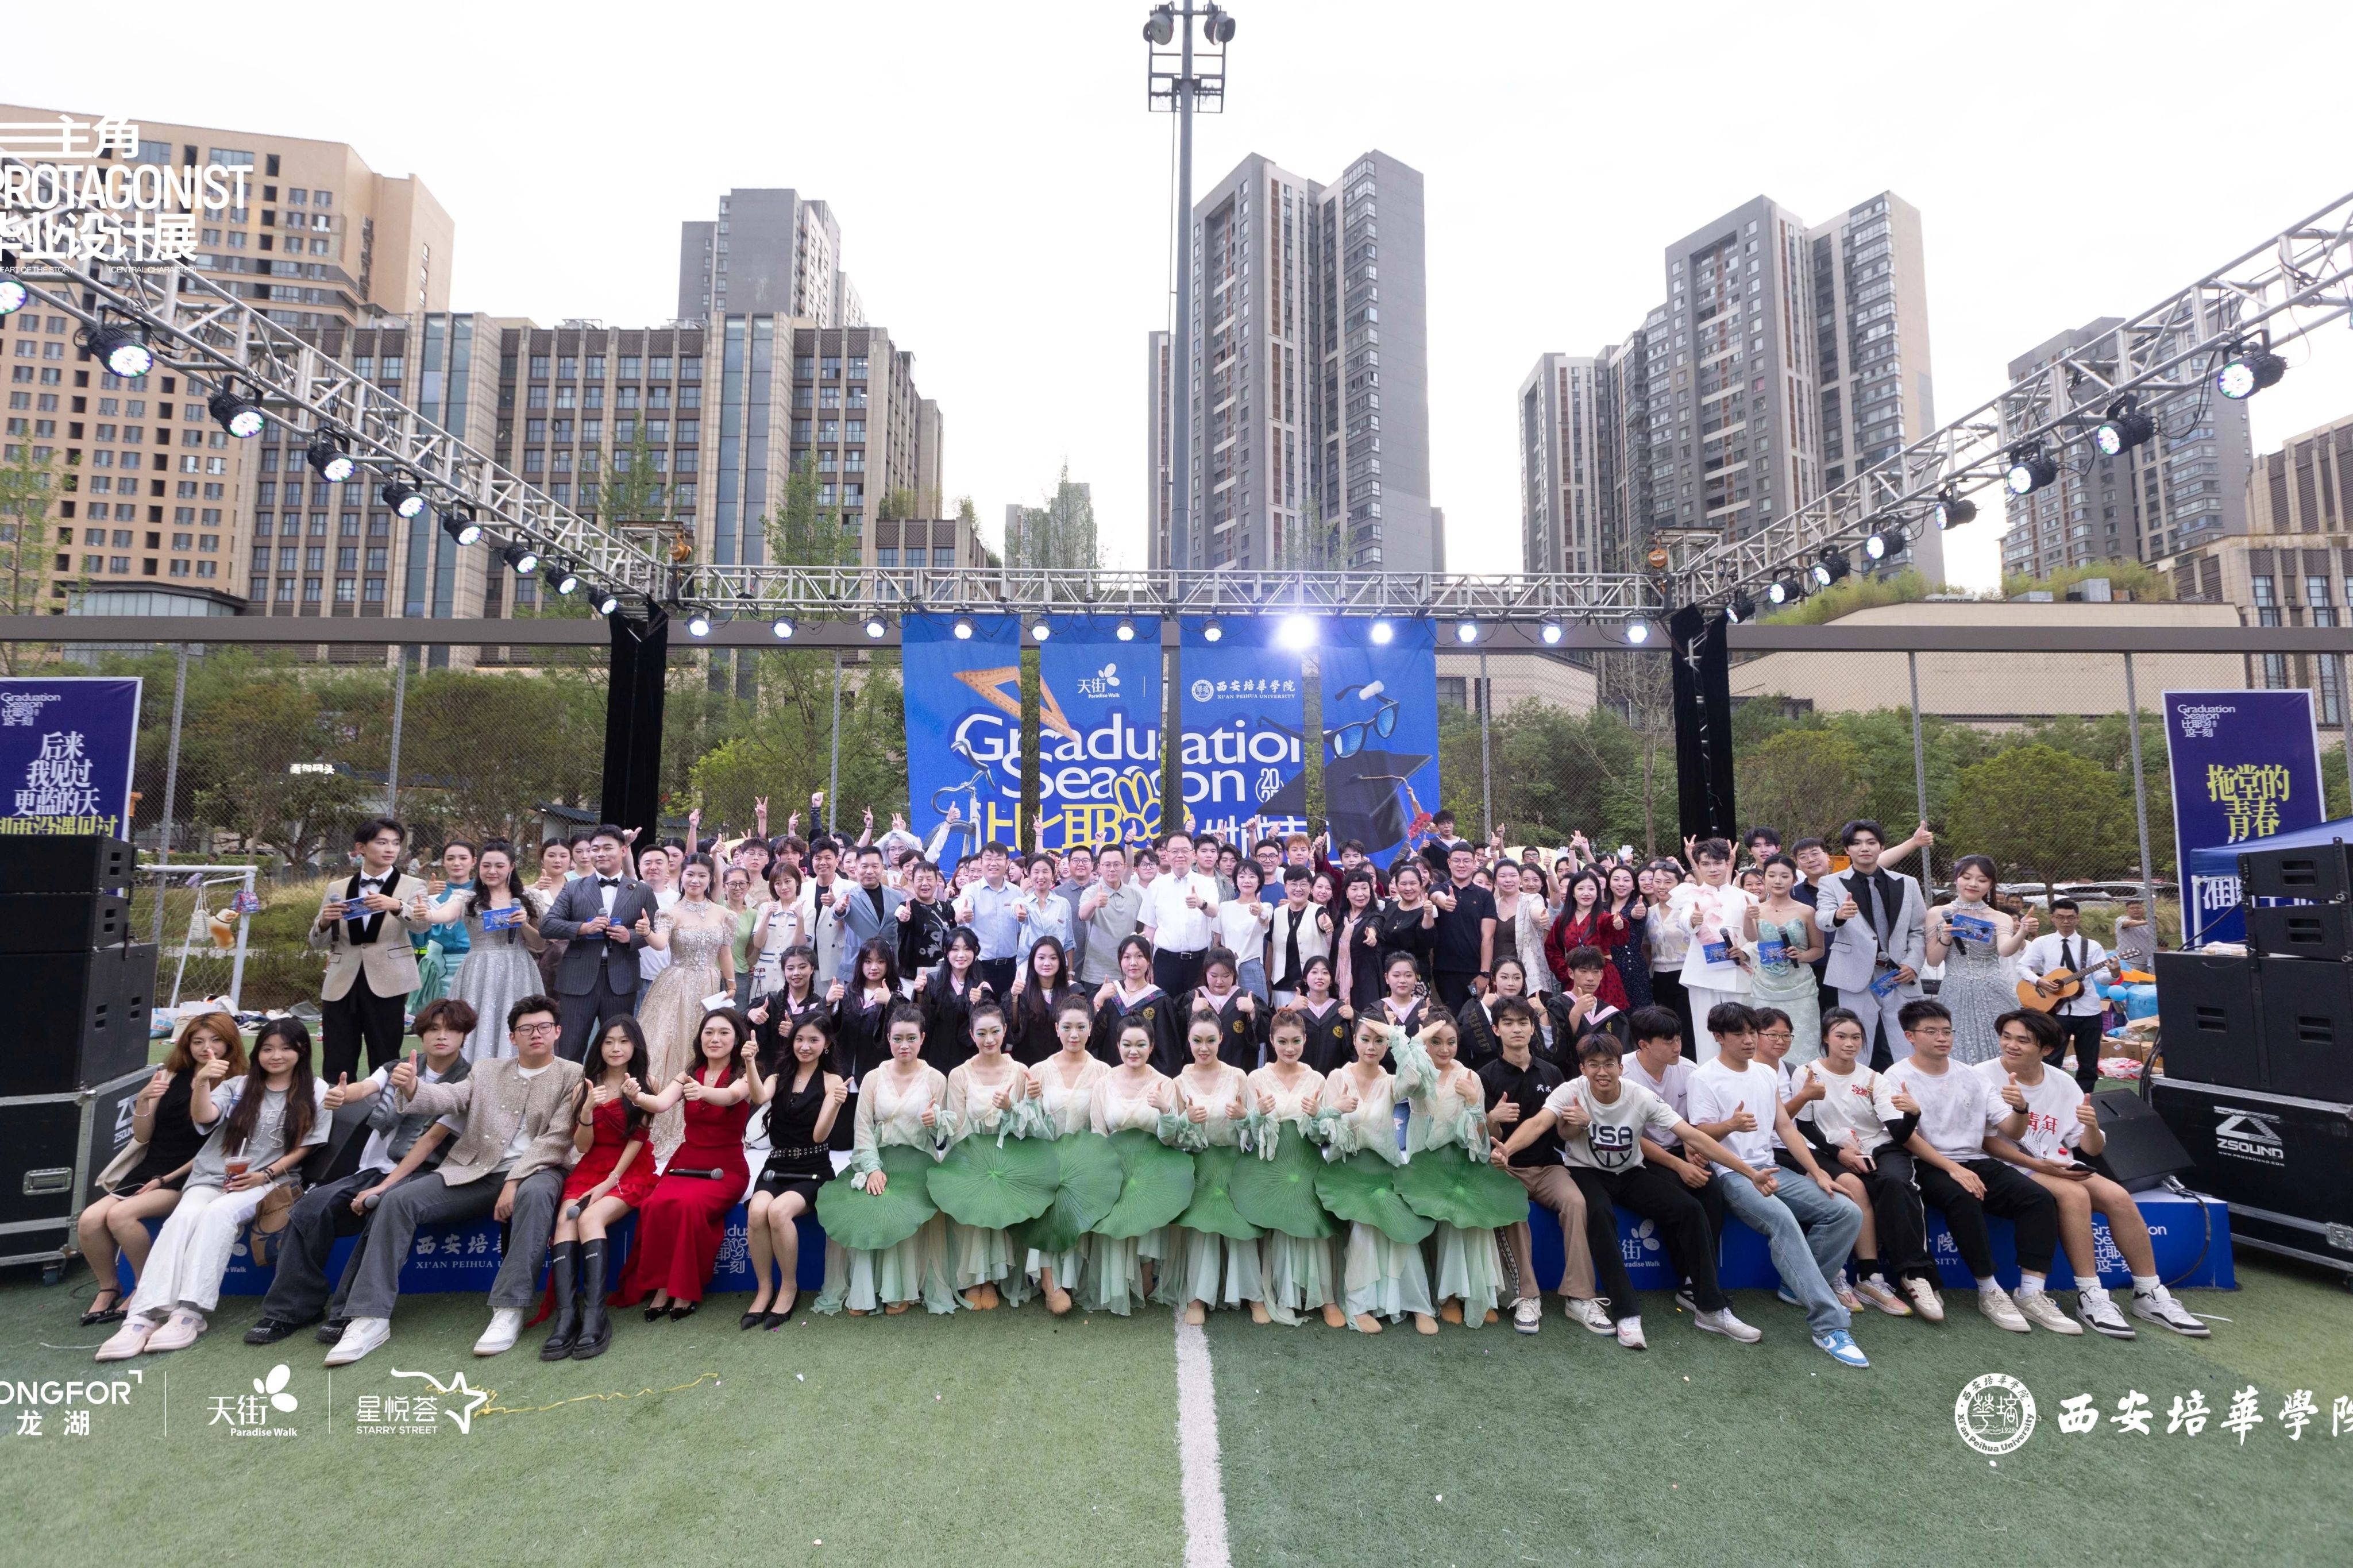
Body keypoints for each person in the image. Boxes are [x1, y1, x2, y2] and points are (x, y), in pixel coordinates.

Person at [322, 997, 585, 1366]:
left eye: (544, 1027)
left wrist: (514, 1181)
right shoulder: (487, 1070)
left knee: (537, 1193)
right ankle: (370, 1317)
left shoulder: (573, 1075)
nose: (535, 1034)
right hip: (473, 1169)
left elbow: (557, 1139)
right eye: (526, 1029)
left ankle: (508, 1310)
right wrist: (413, 1088)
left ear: (557, 1032)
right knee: (398, 1200)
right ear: (512, 1037)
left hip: (538, 1171)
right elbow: (449, 1096)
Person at [1498, 1033, 1760, 1350]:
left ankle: (1711, 1308)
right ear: (1582, 1068)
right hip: (1587, 1172)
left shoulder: (1640, 1096)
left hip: (1632, 1173)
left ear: (1621, 1068)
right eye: (1594, 1065)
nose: (1602, 1072)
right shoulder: (1571, 1091)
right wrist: (1506, 1150)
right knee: (1598, 1213)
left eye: (1609, 1064)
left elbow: (1692, 1135)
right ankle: (1626, 1313)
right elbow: (1539, 1123)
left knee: (1690, 1209)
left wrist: (1751, 1173)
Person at [241, 1002, 472, 1347]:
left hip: (424, 1172)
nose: (442, 1036)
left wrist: (384, 1187)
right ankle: (291, 1310)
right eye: (434, 1028)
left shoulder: (467, 1081)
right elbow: (363, 1089)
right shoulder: (397, 1067)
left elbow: (430, 1141)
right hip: (373, 1169)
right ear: (421, 1034)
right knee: (309, 1209)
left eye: (452, 1029)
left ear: (464, 1036)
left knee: (383, 1210)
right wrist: (340, 1095)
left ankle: (349, 1312)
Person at [96, 1019, 327, 1361]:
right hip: (211, 1176)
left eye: (285, 1048)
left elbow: (306, 1146)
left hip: (268, 1181)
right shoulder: (239, 1085)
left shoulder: (316, 1090)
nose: (275, 1056)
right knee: (183, 1218)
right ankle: (143, 1315)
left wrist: (264, 1174)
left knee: (218, 1214)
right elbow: (205, 1116)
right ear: (257, 1052)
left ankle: (189, 1312)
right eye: (267, 1049)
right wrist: (202, 1082)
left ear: (302, 1050)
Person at [1978, 1009, 2209, 1338]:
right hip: (2007, 1165)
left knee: (2118, 1197)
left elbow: (2091, 1148)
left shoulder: (2062, 1082)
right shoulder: (1982, 1075)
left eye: (2023, 1041)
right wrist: (2040, 1165)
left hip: (2058, 1165)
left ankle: (2149, 1292)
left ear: (2046, 1049)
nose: (2011, 1045)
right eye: (2007, 1037)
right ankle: (2090, 1294)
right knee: (2074, 1195)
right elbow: (1983, 1141)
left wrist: (2090, 1126)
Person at [1687, 1003, 1869, 1366]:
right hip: (1732, 1175)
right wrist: (1731, 1126)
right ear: (1718, 1037)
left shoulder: (1765, 1073)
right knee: (1782, 1220)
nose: (1748, 1040)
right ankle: (1829, 1325)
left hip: (1771, 1169)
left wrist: (1819, 1172)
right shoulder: (1703, 1077)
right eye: (1738, 1034)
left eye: (1751, 1032)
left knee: (1847, 1212)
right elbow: (1699, 1136)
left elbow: (1785, 1127)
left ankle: (1794, 1286)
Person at [1875, 999, 2072, 1334]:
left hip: (1976, 1159)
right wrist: (1953, 1169)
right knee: (1963, 1196)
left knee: (2038, 1198)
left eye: (1947, 1031)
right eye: (1931, 1032)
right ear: (1910, 1036)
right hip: (1928, 1162)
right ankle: (1989, 1289)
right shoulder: (1896, 1076)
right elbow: (1907, 1138)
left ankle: (2031, 1293)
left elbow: (2011, 1131)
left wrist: (2021, 1110)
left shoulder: (1972, 1076)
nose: (1942, 1038)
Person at [78, 1012, 245, 1327]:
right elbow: (143, 1136)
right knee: (89, 1220)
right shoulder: (169, 1076)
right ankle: (109, 1287)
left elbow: (218, 1148)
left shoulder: (238, 1084)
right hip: (152, 1165)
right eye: (198, 1041)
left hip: (192, 1175)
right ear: (187, 1045)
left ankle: (144, 1289)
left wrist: (164, 1179)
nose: (206, 1048)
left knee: (120, 1215)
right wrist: (143, 1101)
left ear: (230, 1044)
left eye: (215, 1041)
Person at [612, 1010, 757, 1322]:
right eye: (709, 1032)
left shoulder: (744, 1074)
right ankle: (662, 1286)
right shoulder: (689, 1073)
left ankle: (685, 1289)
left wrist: (703, 1092)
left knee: (690, 1207)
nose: (715, 1039)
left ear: (736, 1040)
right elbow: (661, 1104)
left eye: (723, 1033)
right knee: (655, 1205)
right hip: (687, 1162)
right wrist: (638, 1097)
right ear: (699, 1038)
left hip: (726, 1169)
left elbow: (731, 1096)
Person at [816, 1005, 957, 1316]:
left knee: (903, 1207)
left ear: (922, 1038)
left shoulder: (936, 1079)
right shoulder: (873, 1077)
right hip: (878, 1160)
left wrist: (935, 1122)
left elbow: (944, 1137)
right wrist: (872, 1169)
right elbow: (863, 1127)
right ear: (889, 1039)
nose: (904, 1046)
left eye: (911, 1038)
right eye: (897, 1039)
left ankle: (901, 1290)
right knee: (870, 1201)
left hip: (919, 1164)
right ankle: (863, 1291)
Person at [1476, 995, 1606, 1334]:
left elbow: (1563, 1132)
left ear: (1533, 1028)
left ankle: (1580, 1297)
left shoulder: (1552, 1072)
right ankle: (1527, 1295)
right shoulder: (1485, 1077)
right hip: (1506, 1169)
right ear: (1496, 1030)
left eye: (1523, 1023)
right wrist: (1493, 1118)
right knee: (1514, 1209)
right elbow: (1483, 1136)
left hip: (1549, 1167)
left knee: (1576, 1203)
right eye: (1508, 1023)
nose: (1517, 1029)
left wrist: (1580, 1123)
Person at [1785, 1009, 1918, 1318]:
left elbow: (1897, 1133)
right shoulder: (1807, 1073)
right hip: (1823, 1150)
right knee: (1853, 1187)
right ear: (1825, 1038)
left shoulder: (1873, 1078)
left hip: (1871, 1150)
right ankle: (1846, 1275)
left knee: (1890, 1183)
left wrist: (1913, 1115)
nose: (1849, 1043)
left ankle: (1873, 1280)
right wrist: (1838, 1153)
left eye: (1856, 1037)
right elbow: (1804, 1126)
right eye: (1841, 1036)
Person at [537, 1015, 655, 1358]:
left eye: (624, 1041)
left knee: (590, 1217)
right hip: (591, 1165)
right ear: (599, 1046)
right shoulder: (584, 1086)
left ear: (635, 1046)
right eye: (609, 1041)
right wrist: (587, 1111)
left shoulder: (646, 1083)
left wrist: (610, 1181)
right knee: (566, 1220)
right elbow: (583, 1147)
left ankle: (595, 1315)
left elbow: (638, 1139)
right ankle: (566, 1317)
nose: (616, 1048)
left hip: (629, 1169)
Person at [1316, 1015, 1437, 1335]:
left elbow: (1415, 1081)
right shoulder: (1338, 1077)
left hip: (1385, 1169)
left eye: (1379, 1041)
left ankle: (1417, 1304)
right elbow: (1320, 1130)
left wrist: (1397, 1036)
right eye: (1366, 1039)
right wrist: (1336, 1109)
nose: (1372, 1047)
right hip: (1346, 1171)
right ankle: (1359, 1306)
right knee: (1365, 1228)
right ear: (1354, 1040)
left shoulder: (1390, 1081)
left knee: (1400, 1225)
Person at [1397, 1016, 1505, 1328]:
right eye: (1436, 1042)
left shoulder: (1470, 1076)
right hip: (1422, 1159)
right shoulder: (1417, 1072)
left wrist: (1472, 1101)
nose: (1444, 1049)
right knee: (1436, 1217)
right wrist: (1418, 1041)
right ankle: (1449, 1298)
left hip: (1459, 1161)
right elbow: (1404, 1079)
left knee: (1466, 1216)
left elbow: (1480, 1136)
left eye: (1451, 1042)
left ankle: (1476, 1294)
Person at [1160, 1010, 1265, 1324]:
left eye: (1210, 1040)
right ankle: (1197, 1297)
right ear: (1188, 1041)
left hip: (1234, 1161)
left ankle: (1254, 1295)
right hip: (1199, 1164)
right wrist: (1185, 1120)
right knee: (1202, 1231)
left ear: (1221, 1038)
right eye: (1197, 1041)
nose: (1203, 1048)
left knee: (1241, 1228)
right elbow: (1171, 1137)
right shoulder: (1178, 1082)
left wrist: (1244, 1117)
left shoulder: (1238, 1077)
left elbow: (1255, 1129)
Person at [634, 854, 738, 1163]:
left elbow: (725, 952)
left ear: (711, 880)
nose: (695, 881)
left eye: (702, 876)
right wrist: (646, 931)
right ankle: (659, 1116)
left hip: (710, 987)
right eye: (690, 874)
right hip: (676, 985)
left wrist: (731, 984)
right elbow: (659, 943)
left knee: (706, 1046)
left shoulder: (723, 914)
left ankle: (706, 1115)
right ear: (682, 877)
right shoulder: (670, 912)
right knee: (668, 1045)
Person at [1244, 1007, 1343, 1327]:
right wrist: (1258, 1114)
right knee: (1279, 1227)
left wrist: (1317, 1115)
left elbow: (1321, 1135)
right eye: (1283, 1041)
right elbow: (1247, 1134)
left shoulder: (1316, 1079)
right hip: (1272, 1164)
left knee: (1312, 1225)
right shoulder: (1256, 1079)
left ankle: (1325, 1298)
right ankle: (1280, 1294)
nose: (1290, 1048)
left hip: (1306, 1160)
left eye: (1296, 1041)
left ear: (1305, 1040)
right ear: (1271, 1040)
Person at [311, 817, 428, 1082]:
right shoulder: (337, 888)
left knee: (385, 1055)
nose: (390, 849)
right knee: (337, 1055)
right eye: (382, 842)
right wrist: (325, 922)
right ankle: (337, 1103)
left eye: (396, 843)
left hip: (389, 979)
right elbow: (317, 942)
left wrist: (397, 906)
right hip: (342, 979)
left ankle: (384, 1107)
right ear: (361, 848)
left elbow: (422, 926)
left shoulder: (412, 885)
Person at [418, 839, 549, 1063]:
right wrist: (428, 914)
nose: (492, 871)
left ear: (512, 867)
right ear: (479, 866)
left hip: (518, 969)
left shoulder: (529, 898)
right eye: (486, 866)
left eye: (499, 866)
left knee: (521, 1020)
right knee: (477, 1021)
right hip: (479, 969)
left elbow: (540, 944)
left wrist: (524, 924)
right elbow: (444, 914)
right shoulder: (467, 897)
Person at [541, 825, 663, 1063]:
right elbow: (548, 926)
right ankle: (569, 1088)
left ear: (623, 850)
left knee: (618, 1049)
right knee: (569, 1049)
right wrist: (582, 928)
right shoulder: (573, 887)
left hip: (621, 978)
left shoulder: (641, 890)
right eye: (595, 849)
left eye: (608, 848)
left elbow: (656, 930)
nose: (600, 854)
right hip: (578, 979)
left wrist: (630, 936)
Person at [939, 1003, 1033, 1310]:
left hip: (1011, 1156)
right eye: (981, 1033)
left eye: (995, 1032)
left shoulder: (1020, 1071)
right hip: (970, 1155)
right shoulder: (959, 1074)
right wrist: (977, 1160)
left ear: (1005, 1031)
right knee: (977, 1201)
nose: (989, 1039)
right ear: (971, 1035)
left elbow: (1029, 1121)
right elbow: (956, 1125)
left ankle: (993, 1279)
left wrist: (1010, 1108)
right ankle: (975, 1279)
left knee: (1000, 1196)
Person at [1084, 1017, 1178, 1315]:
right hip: (1113, 1168)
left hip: (1151, 1171)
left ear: (1151, 1047)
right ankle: (1117, 1280)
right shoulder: (1104, 1083)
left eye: (1140, 1045)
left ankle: (1147, 1269)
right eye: (1127, 1044)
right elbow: (1098, 1131)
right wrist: (1105, 1170)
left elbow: (1171, 1138)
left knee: (1146, 1230)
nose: (1133, 1051)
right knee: (1117, 1227)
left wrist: (1165, 1109)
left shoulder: (1165, 1084)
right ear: (1118, 1046)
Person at [1817, 820, 1927, 1070]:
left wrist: (1913, 964)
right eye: (1856, 843)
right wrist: (1839, 915)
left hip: (1899, 973)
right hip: (1854, 974)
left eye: (1871, 842)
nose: (1864, 848)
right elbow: (1822, 919)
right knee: (1854, 1040)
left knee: (1907, 1038)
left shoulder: (1907, 883)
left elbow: (1918, 930)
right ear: (1847, 849)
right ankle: (1855, 1089)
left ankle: (1908, 1088)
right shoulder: (1831, 883)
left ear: (1882, 847)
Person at [1024, 995, 1109, 1314]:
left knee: (1075, 1218)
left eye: (1081, 1027)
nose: (1074, 1034)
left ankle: (1071, 1279)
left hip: (1084, 1160)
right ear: (1057, 1028)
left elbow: (1101, 1124)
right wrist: (1030, 1100)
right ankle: (1049, 1284)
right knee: (1047, 1215)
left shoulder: (1103, 1071)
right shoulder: (1039, 1070)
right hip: (1046, 1158)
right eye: (1068, 1027)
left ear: (1090, 1029)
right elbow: (1027, 1123)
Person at [1924, 853, 2036, 1067]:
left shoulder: (2000, 917)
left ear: (1991, 884)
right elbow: (1933, 961)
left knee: (2000, 1047)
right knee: (1955, 1047)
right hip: (1954, 989)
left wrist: (2022, 931)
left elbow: (2005, 951)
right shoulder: (1937, 913)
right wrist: (1945, 938)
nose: (1973, 884)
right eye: (1967, 877)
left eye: (1982, 880)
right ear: (1956, 878)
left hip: (1993, 989)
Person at [1669, 839, 1755, 1062]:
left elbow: (1756, 936)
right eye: (1706, 864)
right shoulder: (1690, 895)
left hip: (1737, 972)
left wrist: (1745, 952)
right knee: (1705, 1033)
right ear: (1698, 866)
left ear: (1728, 863)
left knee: (1741, 1028)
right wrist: (1693, 920)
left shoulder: (1746, 897)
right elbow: (1684, 919)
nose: (1713, 869)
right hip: (1703, 975)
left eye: (1718, 863)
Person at [2016, 898, 2113, 1092]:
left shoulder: (2092, 946)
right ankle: (2050, 1095)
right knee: (2051, 1058)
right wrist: (2039, 982)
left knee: (2089, 1062)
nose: (2066, 921)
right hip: (2055, 1010)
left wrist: (2115, 973)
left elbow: (2102, 978)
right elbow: (2023, 967)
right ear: (2052, 918)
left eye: (2071, 917)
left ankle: (2084, 1099)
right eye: (2060, 917)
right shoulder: (2042, 943)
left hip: (2088, 1010)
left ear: (2078, 918)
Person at [1743, 855, 1827, 1066]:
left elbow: (1819, 950)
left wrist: (1802, 956)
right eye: (1772, 875)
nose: (1778, 881)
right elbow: (1751, 938)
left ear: (1794, 879)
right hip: (1765, 985)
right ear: (1764, 879)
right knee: (1766, 1036)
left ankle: (1805, 1080)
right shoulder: (1757, 910)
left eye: (1784, 876)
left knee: (1803, 1039)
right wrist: (1748, 917)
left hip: (1800, 985)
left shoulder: (1807, 911)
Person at [830, 939, 901, 1152]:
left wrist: (890, 1003)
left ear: (889, 964)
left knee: (872, 1142)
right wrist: (828, 1003)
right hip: (844, 1075)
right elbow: (830, 1032)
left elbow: (899, 1035)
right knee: (840, 1143)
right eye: (868, 961)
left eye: (880, 961)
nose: (874, 967)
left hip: (875, 1076)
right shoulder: (846, 993)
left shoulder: (896, 996)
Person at [1139, 830, 1221, 996]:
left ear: (1193, 854)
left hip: (1198, 961)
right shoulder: (1156, 886)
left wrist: (1201, 903)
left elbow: (1214, 911)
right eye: (1174, 851)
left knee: (1198, 1008)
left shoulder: (1207, 883)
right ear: (1167, 855)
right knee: (1165, 1008)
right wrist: (1147, 963)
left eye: (1185, 851)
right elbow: (1150, 928)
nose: (1180, 855)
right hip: (1165, 962)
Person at [1093, 933, 1182, 1074]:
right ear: (1120, 961)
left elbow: (1166, 1052)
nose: (1133, 963)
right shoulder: (1109, 993)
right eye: (1127, 957)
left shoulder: (1160, 1001)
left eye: (1139, 956)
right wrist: (1098, 1000)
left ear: (1149, 961)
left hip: (1145, 1079)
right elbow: (1091, 1040)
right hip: (1109, 1076)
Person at [1425, 843, 1498, 1012]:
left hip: (1475, 973)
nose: (1461, 865)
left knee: (1474, 1017)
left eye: (1466, 861)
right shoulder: (1440, 888)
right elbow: (1436, 896)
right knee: (1451, 1016)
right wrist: (1444, 902)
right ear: (1449, 863)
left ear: (1474, 863)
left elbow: (1488, 937)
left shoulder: (1485, 896)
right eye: (1457, 861)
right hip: (1445, 971)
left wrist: (1485, 973)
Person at [951, 841, 1025, 996]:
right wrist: (963, 915)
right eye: (988, 859)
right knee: (982, 1007)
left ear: (1007, 863)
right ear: (981, 862)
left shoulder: (1016, 892)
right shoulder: (971, 890)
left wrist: (1022, 916)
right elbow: (961, 909)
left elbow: (1021, 924)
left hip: (1010, 966)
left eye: (998, 859)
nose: (993, 863)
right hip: (981, 966)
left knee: (1009, 1007)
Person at [1546, 870, 1629, 1007]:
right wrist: (1565, 971)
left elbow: (1621, 940)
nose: (1586, 893)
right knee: (1577, 1015)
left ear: (1598, 893)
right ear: (1573, 893)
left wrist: (1620, 926)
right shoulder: (1563, 920)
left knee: (1604, 1016)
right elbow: (1552, 948)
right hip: (1576, 977)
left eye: (1591, 889)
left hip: (1602, 977)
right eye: (1581, 889)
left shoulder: (1605, 918)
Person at [826, 844, 907, 984]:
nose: (870, 871)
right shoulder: (848, 895)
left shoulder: (897, 896)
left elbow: (902, 928)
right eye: (864, 867)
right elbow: (837, 912)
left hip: (889, 966)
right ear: (856, 869)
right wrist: (839, 908)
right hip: (857, 966)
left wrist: (906, 919)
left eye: (875, 866)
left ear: (882, 868)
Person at [917, 927, 993, 1073]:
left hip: (968, 1061)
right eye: (955, 949)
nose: (961, 955)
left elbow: (985, 1030)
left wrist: (979, 1005)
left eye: (967, 949)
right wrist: (920, 993)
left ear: (976, 951)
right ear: (946, 951)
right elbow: (920, 1021)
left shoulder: (982, 988)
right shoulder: (932, 982)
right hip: (934, 1058)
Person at [1642, 860, 1695, 1050]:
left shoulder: (1687, 911)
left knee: (1687, 1027)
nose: (1662, 887)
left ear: (1678, 884)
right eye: (1657, 881)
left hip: (1685, 975)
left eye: (1668, 882)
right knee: (1665, 1028)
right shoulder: (1648, 913)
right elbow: (1647, 947)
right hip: (1659, 977)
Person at [1075, 845, 1144, 989]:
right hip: (1097, 973)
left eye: (1117, 864)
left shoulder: (1136, 895)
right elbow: (1082, 915)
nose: (1112, 869)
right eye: (1107, 865)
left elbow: (1140, 931)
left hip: (1129, 971)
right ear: (1099, 867)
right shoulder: (1090, 893)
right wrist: (1094, 903)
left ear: (1125, 866)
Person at [1185, 947, 1263, 1070]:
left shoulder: (1245, 998)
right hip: (1201, 1074)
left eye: (1226, 976)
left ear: (1234, 974)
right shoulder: (1194, 998)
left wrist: (1253, 1012)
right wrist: (1191, 1011)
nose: (1220, 981)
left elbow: (1264, 1036)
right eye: (1214, 975)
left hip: (1237, 1071)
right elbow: (1176, 1038)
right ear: (1205, 973)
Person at [1267, 865, 1333, 1006]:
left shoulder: (1318, 910)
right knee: (1284, 1020)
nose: (1298, 889)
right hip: (1281, 985)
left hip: (1313, 987)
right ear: (1285, 887)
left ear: (1310, 888)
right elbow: (1271, 948)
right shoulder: (1277, 913)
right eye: (1293, 884)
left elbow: (1323, 920)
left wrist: (1326, 924)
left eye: (1303, 884)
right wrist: (1268, 980)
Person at [1009, 936, 1079, 1065]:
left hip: (1064, 1064)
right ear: (1032, 960)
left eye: (1053, 958)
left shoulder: (1074, 992)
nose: (1047, 963)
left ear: (1061, 961)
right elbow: (1014, 1031)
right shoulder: (1022, 991)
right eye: (1041, 958)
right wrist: (1014, 997)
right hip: (1028, 1063)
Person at [1371, 861, 1441, 988]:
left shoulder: (1426, 910)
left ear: (1421, 885)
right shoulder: (1391, 907)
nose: (1408, 888)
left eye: (1413, 883)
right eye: (1403, 884)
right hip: (1389, 974)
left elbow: (1428, 941)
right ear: (1397, 886)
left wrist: (1428, 914)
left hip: (1414, 975)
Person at [746, 863, 807, 1001]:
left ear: (797, 882)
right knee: (759, 1009)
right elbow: (758, 943)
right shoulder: (765, 907)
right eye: (778, 883)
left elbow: (800, 945)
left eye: (788, 881)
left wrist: (800, 918)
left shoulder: (807, 908)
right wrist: (767, 915)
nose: (784, 887)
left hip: (790, 973)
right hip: (764, 973)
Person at [1217, 860, 1275, 1002]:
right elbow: (1217, 941)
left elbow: (1265, 920)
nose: (1247, 881)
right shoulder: (1224, 907)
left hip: (1251, 967)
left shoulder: (1266, 906)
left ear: (1259, 881)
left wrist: (1259, 911)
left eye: (1252, 876)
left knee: (1256, 1010)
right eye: (1242, 876)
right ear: (1236, 880)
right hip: (1227, 967)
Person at [894, 858, 955, 990]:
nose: (925, 883)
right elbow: (902, 916)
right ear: (913, 881)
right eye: (920, 879)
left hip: (942, 975)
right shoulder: (906, 907)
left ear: (937, 882)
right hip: (912, 977)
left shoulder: (947, 908)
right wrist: (905, 917)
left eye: (929, 879)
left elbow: (954, 938)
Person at [1288, 954, 1355, 1073]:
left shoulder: (1341, 1008)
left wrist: (1354, 1017)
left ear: (1331, 980)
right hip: (1300, 1077)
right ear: (1305, 978)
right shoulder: (1296, 1007)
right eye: (1314, 972)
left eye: (1325, 973)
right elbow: (1276, 1032)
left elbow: (1355, 1043)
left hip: (1334, 1077)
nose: (1320, 977)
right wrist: (1290, 1009)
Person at [1332, 868, 1385, 1010]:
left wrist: (1372, 935)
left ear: (1371, 891)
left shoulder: (1376, 916)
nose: (1360, 894)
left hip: (1367, 979)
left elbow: (1374, 927)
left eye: (1364, 888)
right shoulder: (1341, 918)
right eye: (1354, 889)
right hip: (1341, 979)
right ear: (1347, 893)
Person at [1372, 949, 1427, 1040]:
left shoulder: (1425, 1009)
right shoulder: (1376, 1009)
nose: (1402, 981)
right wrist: (1382, 1020)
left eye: (1408, 975)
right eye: (1396, 976)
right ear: (1387, 978)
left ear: (1416, 978)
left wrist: (1431, 1020)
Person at [2112, 897, 2157, 974]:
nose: (2136, 910)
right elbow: (2129, 923)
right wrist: (2148, 922)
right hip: (2128, 961)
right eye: (2132, 908)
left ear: (2143, 910)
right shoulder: (2121, 919)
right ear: (2127, 911)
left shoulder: (2148, 925)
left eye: (2138, 908)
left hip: (2147, 963)